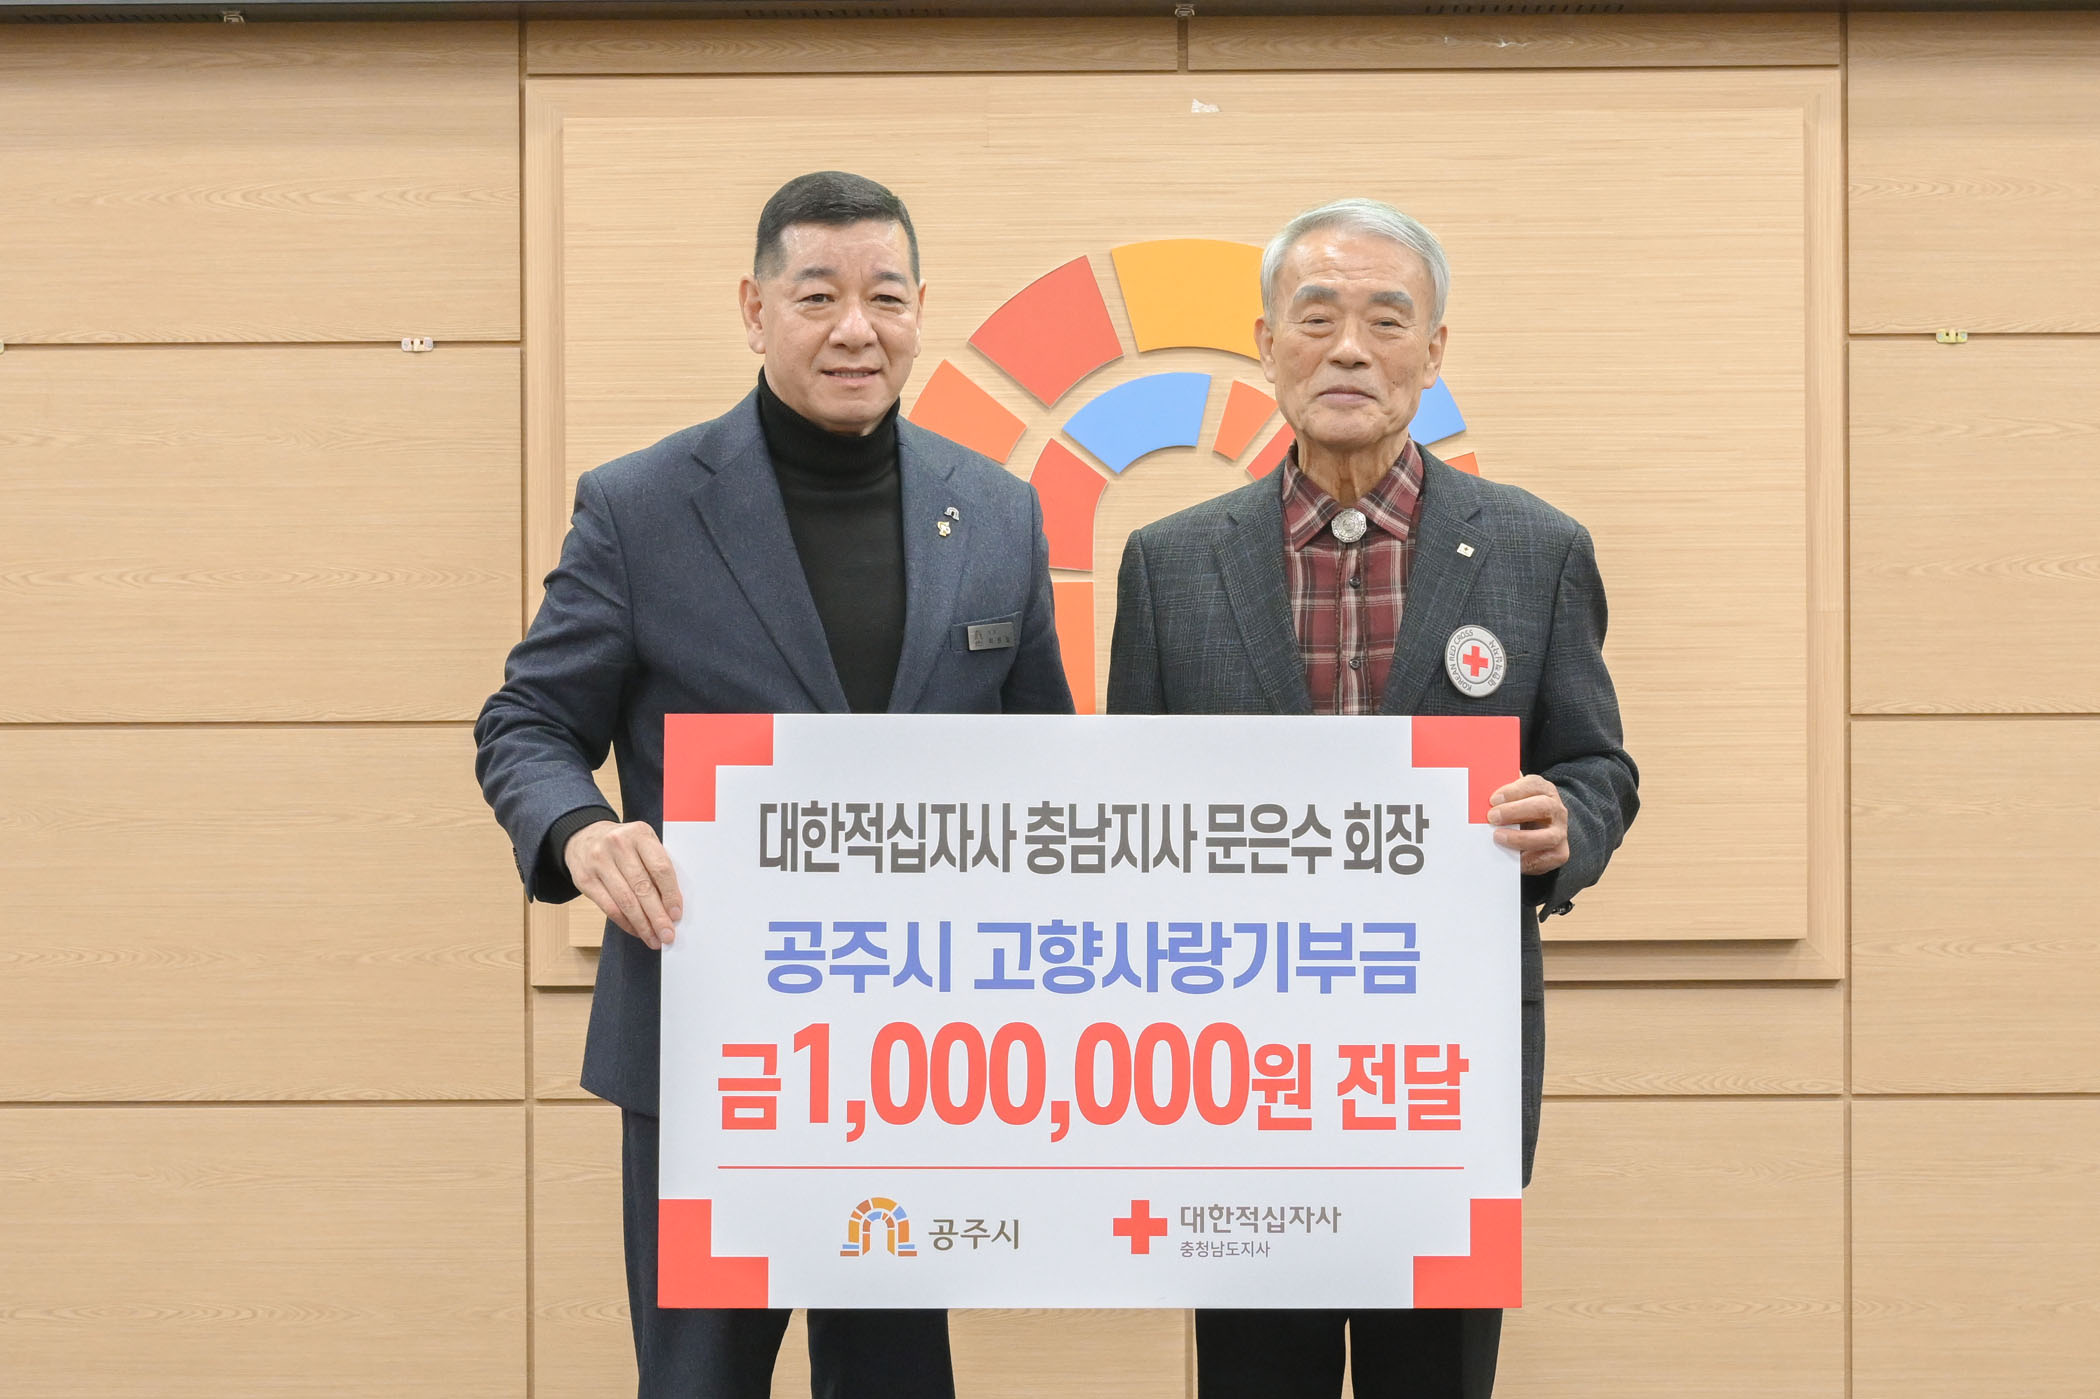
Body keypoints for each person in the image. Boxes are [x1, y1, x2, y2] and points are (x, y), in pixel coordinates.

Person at [475, 170, 1073, 1399]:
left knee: (896, 1380)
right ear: (755, 311)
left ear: (920, 310)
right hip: (711, 1047)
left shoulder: (997, 513)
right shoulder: (642, 507)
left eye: (885, 297)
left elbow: (1045, 764)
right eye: (817, 297)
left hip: (918, 1050)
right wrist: (581, 831)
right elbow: (526, 720)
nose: (856, 328)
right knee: (699, 1382)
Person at [1107, 197, 1638, 1399]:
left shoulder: (1536, 550)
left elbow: (1598, 765)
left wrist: (1570, 822)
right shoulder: (1170, 564)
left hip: (1443, 1073)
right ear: (1266, 344)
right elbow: (1129, 814)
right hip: (1239, 1079)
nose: (1349, 348)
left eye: (1386, 320)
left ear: (1433, 351)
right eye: (1317, 317)